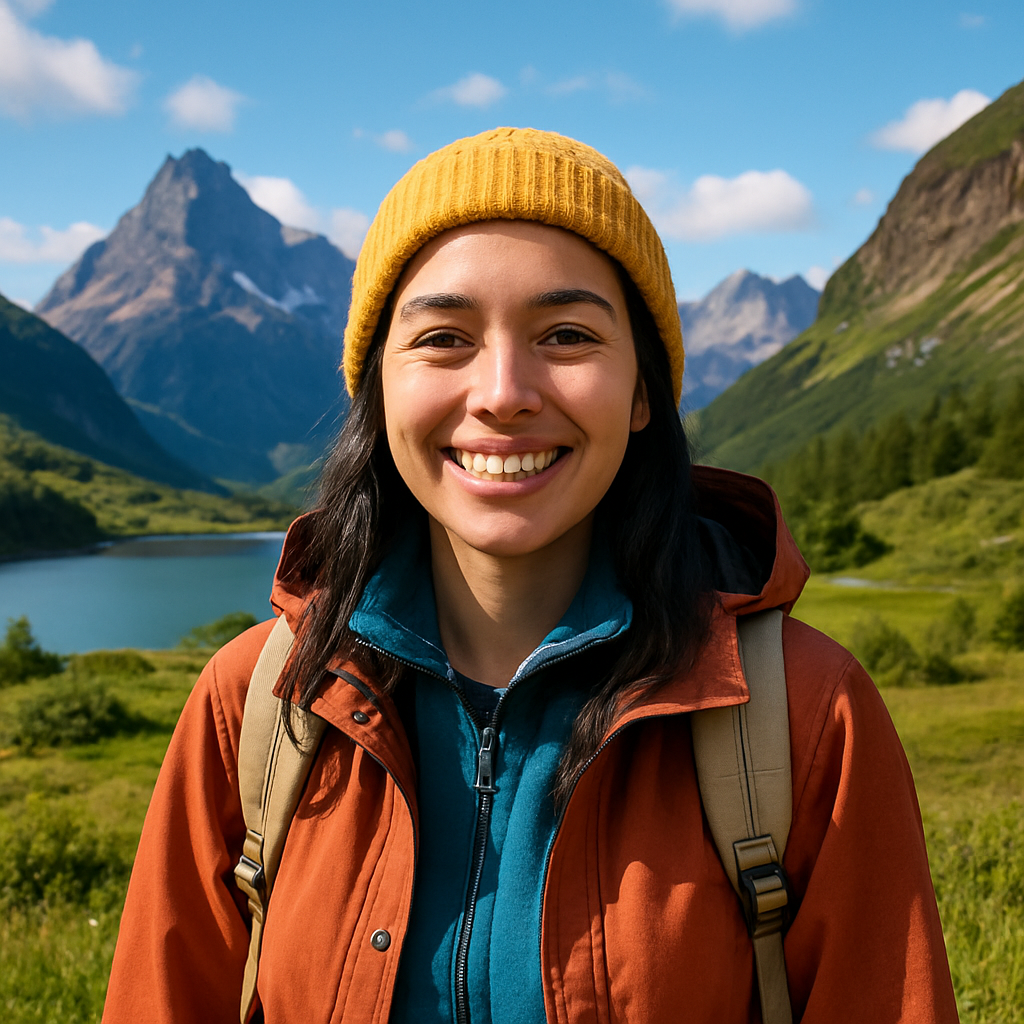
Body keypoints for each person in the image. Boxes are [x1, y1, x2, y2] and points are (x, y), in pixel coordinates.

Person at [101, 128, 959, 1024]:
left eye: (567, 333)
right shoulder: (257, 701)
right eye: (443, 337)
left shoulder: (809, 713)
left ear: (642, 393)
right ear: (379, 389)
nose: (504, 391)